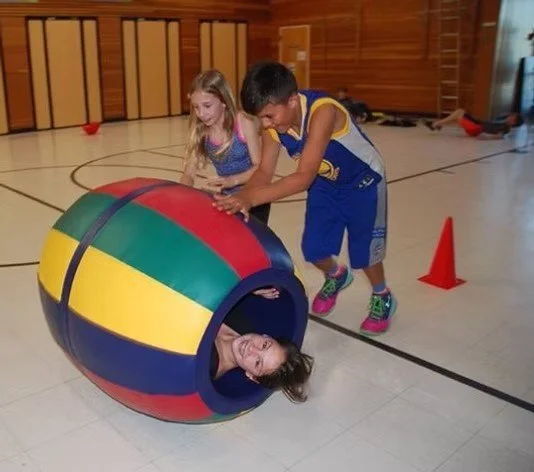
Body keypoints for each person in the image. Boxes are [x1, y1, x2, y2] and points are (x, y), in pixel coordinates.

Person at [213, 61, 397, 336]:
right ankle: (337, 275)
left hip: (364, 183)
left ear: (291, 101)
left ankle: (382, 294)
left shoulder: (323, 112)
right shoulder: (275, 125)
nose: (265, 124)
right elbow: (264, 171)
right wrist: (244, 195)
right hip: (327, 184)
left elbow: (303, 177)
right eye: (261, 118)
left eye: (269, 116)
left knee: (365, 253)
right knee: (314, 248)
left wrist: (250, 199)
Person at [181, 68, 271, 225]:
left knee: (252, 240)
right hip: (227, 196)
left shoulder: (243, 122)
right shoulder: (201, 131)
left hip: (255, 194)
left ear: (223, 101)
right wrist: (182, 195)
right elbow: (188, 173)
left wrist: (233, 181)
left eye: (207, 106)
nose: (201, 113)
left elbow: (260, 167)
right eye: (196, 107)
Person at [212, 306, 314, 403]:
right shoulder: (241, 322)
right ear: (267, 336)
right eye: (265, 345)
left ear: (252, 376)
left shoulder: (207, 364)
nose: (251, 348)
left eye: (257, 362)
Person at [423, 108, 524, 138]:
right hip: (477, 124)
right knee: (460, 112)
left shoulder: (506, 128)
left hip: (477, 128)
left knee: (459, 114)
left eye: (512, 118)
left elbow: (500, 135)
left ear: (513, 122)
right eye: (511, 116)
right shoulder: (502, 119)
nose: (510, 116)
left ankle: (436, 124)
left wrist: (486, 136)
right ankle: (437, 124)